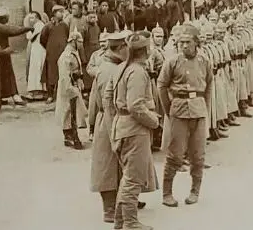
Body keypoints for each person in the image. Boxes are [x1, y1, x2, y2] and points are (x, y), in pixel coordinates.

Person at [157, 23, 213, 207]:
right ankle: (167, 193)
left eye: (188, 42)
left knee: (198, 155)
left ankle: (195, 191)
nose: (184, 46)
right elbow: (161, 85)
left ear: (196, 42)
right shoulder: (172, 62)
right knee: (175, 154)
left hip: (198, 111)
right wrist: (169, 109)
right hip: (179, 111)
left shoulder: (204, 61)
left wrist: (205, 107)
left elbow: (209, 85)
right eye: (181, 42)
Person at [111, 34, 160, 229]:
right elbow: (135, 106)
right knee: (133, 179)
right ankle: (130, 223)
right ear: (146, 50)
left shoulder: (123, 68)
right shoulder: (137, 72)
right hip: (134, 129)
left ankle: (120, 221)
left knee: (127, 178)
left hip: (123, 127)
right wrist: (154, 121)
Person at [88, 31, 125, 225]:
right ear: (120, 48)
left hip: (113, 119)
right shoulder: (108, 69)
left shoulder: (113, 66)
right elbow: (104, 102)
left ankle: (122, 202)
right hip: (109, 120)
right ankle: (109, 209)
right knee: (107, 167)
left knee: (120, 165)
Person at [56, 30, 87, 150]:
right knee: (70, 112)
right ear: (74, 41)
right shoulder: (67, 55)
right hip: (68, 86)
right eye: (79, 42)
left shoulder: (74, 52)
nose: (81, 44)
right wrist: (70, 89)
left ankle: (71, 136)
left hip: (73, 84)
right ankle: (72, 137)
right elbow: (65, 75)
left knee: (72, 112)